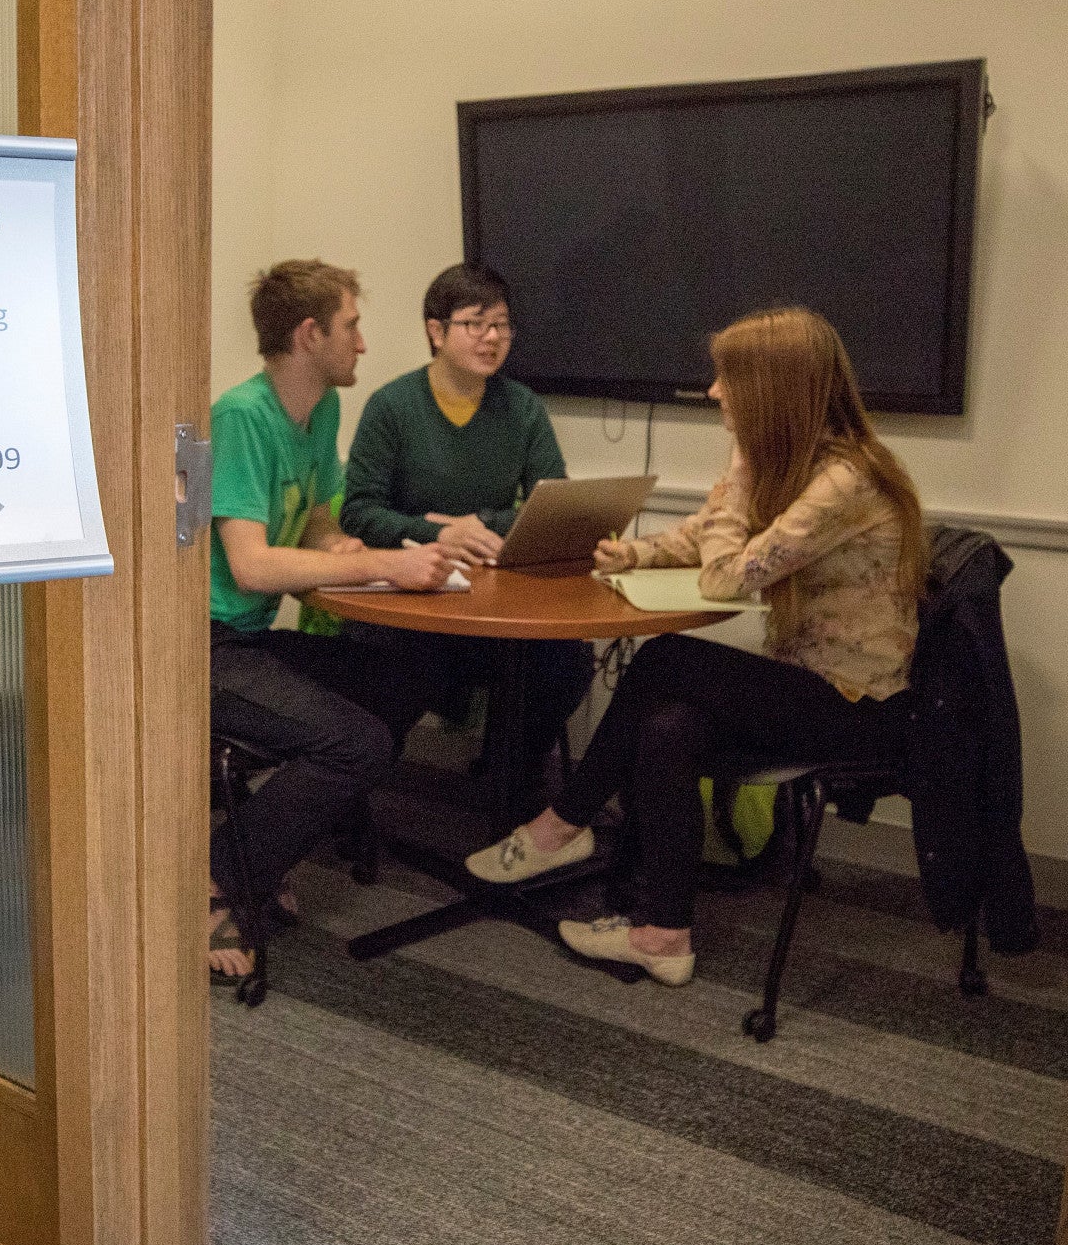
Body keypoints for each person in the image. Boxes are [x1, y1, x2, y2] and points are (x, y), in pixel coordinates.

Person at [465, 306, 925, 988]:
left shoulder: (844, 481)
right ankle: (663, 932)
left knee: (667, 659)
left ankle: (562, 825)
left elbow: (723, 575)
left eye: (725, 379)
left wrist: (739, 473)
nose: (713, 393)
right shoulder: (797, 464)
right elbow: (701, 535)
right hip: (809, 685)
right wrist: (630, 551)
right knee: (667, 724)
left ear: (770, 389)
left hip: (857, 706)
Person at [209, 259, 453, 977]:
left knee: (408, 676)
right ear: (311, 334)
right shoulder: (243, 417)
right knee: (358, 743)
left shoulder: (320, 409)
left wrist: (345, 544)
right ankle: (216, 876)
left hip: (251, 636)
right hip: (205, 647)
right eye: (352, 325)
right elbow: (252, 564)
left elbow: (315, 517)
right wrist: (378, 565)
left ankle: (265, 844)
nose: (363, 343)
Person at [340, 262, 591, 770]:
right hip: (409, 599)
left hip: (492, 600)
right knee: (391, 667)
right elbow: (359, 512)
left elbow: (553, 507)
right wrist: (437, 532)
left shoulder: (522, 407)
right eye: (475, 324)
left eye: (501, 325)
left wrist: (475, 523)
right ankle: (359, 793)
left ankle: (502, 781)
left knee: (567, 662)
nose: (492, 338)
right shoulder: (392, 406)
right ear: (436, 331)